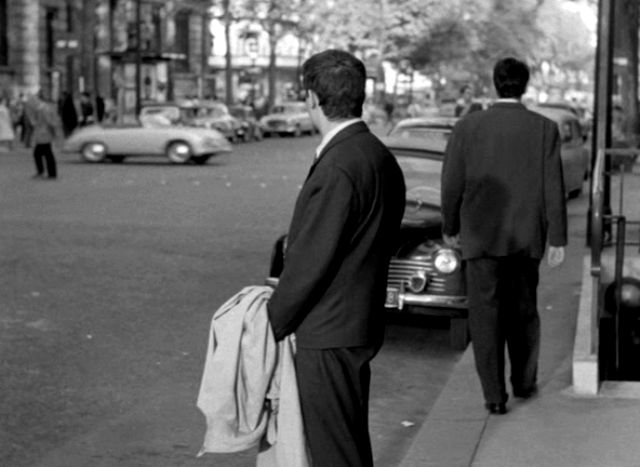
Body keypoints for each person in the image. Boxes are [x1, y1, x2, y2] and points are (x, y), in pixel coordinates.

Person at [266, 49, 406, 467]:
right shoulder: (378, 156)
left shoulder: (339, 165)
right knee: (346, 442)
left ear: (311, 98)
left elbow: (312, 261)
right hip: (357, 320)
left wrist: (272, 321)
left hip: (328, 330)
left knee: (334, 452)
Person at [441, 57, 567, 415]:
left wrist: (450, 228)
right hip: (527, 237)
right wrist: (557, 237)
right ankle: (524, 383)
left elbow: (451, 184)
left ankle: (494, 397)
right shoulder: (544, 128)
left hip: (480, 238)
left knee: (484, 316)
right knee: (524, 313)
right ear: (525, 85)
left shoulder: (467, 127)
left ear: (495, 84)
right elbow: (552, 187)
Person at [31, 90, 61, 179]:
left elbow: (49, 121)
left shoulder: (43, 108)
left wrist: (54, 132)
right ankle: (48, 172)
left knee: (43, 153)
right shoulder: (46, 107)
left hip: (43, 133)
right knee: (43, 153)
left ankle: (47, 172)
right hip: (44, 133)